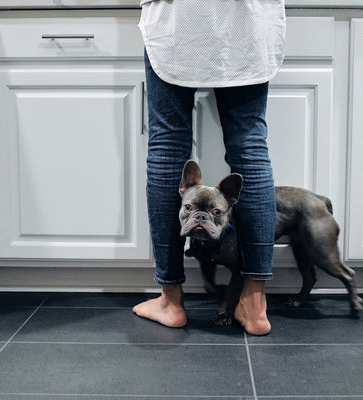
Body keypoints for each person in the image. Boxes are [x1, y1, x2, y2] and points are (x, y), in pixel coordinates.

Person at [132, 0, 286, 336]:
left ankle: (170, 301)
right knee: (250, 143)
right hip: (247, 16)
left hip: (180, 16)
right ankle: (254, 305)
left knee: (168, 144)